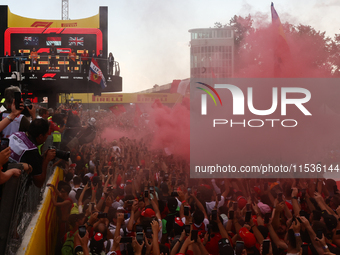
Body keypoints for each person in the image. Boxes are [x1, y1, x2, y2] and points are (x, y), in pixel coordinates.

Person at [9, 119, 56, 188]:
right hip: (10, 188)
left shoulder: (17, 134)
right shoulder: (32, 151)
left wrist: (42, 157)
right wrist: (46, 160)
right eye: (47, 134)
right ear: (40, 136)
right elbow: (39, 183)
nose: (47, 137)